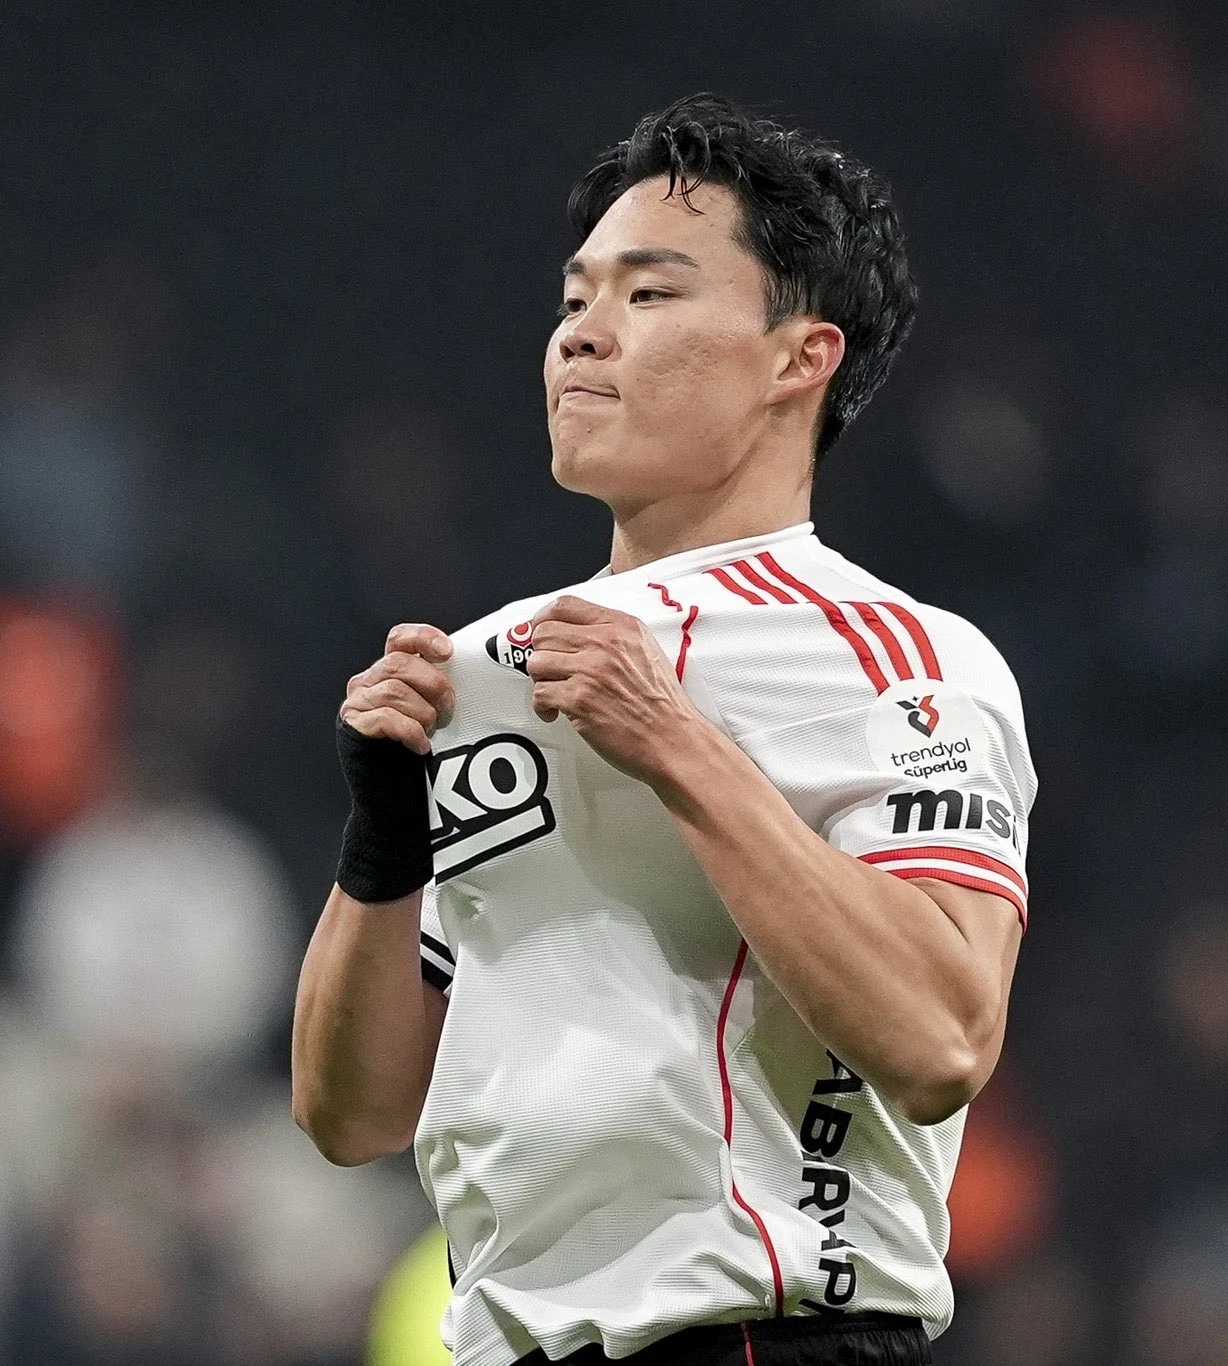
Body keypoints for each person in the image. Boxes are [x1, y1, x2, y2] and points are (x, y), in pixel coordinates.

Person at [292, 92, 1036, 1366]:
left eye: (648, 294)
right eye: (573, 298)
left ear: (800, 357)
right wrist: (381, 849)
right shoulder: (484, 666)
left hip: (764, 1336)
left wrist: (679, 746)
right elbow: (349, 1115)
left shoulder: (900, 657)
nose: (582, 333)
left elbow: (940, 1039)